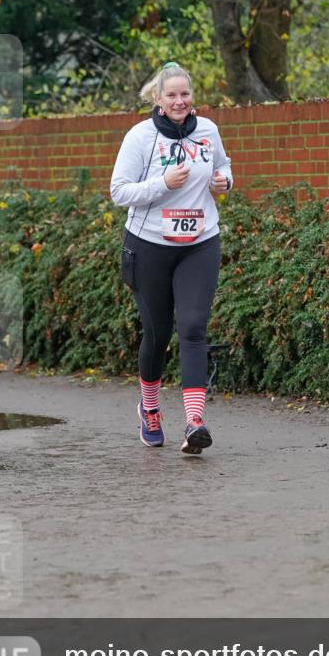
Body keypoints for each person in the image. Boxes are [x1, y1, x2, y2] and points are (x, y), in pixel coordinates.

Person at [110, 62, 233, 454]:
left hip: (200, 242)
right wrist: (162, 184)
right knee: (158, 333)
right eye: (172, 95)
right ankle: (149, 409)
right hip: (149, 246)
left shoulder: (208, 131)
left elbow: (225, 168)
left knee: (194, 327)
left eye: (185, 94)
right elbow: (119, 192)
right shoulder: (141, 137)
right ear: (158, 100)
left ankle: (195, 422)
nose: (180, 101)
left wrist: (224, 182)